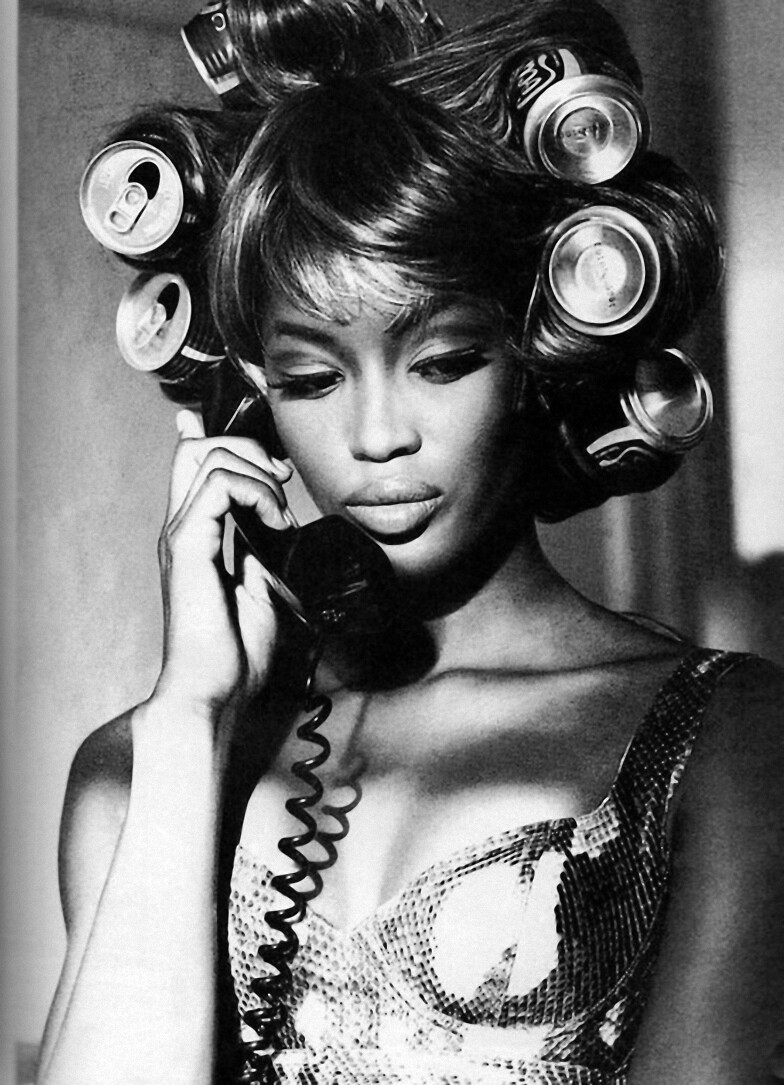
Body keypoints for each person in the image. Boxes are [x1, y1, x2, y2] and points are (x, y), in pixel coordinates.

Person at [37, 1, 784, 1083]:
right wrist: (190, 718)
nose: (378, 436)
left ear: (533, 352)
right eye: (310, 378)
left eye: (440, 362)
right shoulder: (134, 771)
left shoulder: (731, 740)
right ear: (250, 398)